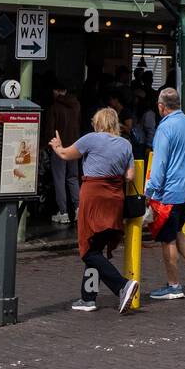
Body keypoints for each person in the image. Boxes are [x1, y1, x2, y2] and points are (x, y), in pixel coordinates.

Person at [48, 107, 139, 314]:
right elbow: (130, 176)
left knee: (87, 249)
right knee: (96, 248)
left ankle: (122, 285)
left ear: (98, 123)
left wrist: (57, 146)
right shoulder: (126, 144)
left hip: (93, 197)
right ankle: (88, 298)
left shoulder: (91, 139)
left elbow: (65, 155)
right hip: (115, 199)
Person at [144, 86, 185, 299]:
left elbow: (159, 163)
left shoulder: (165, 129)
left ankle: (173, 286)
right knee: (176, 229)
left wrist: (149, 191)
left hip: (170, 194)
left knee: (167, 238)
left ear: (161, 107)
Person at [43, 80, 81, 224]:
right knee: (72, 178)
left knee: (59, 179)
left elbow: (49, 130)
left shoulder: (54, 107)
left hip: (59, 147)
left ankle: (63, 212)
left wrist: (48, 144)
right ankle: (78, 209)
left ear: (57, 91)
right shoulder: (76, 105)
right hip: (74, 146)